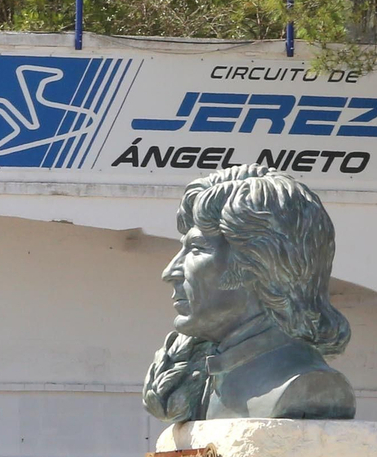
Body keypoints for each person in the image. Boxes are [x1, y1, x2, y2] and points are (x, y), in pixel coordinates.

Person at [143, 165, 356, 422]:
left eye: (197, 249)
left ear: (259, 263)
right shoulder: (202, 386)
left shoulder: (308, 386)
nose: (170, 272)